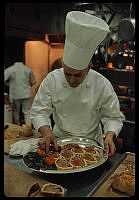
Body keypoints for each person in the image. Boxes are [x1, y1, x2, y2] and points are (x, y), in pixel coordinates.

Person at [30, 11, 125, 156]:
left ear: (89, 67)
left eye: (78, 75)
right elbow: (39, 111)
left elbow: (112, 116)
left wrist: (110, 136)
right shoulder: (52, 79)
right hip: (59, 141)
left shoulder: (101, 84)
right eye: (67, 74)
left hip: (92, 144)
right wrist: (47, 132)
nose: (72, 80)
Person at [4, 61, 36, 126]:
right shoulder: (28, 69)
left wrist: (8, 84)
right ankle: (28, 127)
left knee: (16, 112)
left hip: (15, 94)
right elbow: (33, 82)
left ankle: (17, 128)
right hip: (26, 94)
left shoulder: (10, 69)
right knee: (27, 112)